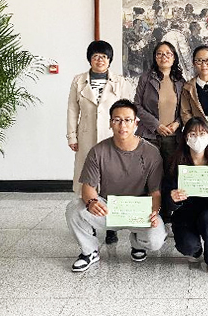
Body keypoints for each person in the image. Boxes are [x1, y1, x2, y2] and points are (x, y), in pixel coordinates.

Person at [65, 99, 167, 272]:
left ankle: (137, 244)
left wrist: (154, 212)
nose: (122, 125)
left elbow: (155, 191)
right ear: (110, 123)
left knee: (155, 239)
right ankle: (90, 251)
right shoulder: (98, 151)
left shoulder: (151, 152)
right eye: (117, 120)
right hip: (109, 208)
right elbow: (88, 187)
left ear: (136, 123)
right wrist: (92, 202)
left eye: (127, 120)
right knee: (74, 208)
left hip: (139, 210)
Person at [66, 40, 130, 244]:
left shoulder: (120, 82)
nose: (100, 60)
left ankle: (111, 227)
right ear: (90, 59)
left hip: (112, 137)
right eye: (96, 56)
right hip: (86, 138)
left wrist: (127, 137)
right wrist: (72, 136)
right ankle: (89, 223)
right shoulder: (79, 81)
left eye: (104, 56)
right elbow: (72, 110)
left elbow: (128, 110)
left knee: (112, 180)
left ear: (109, 60)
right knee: (87, 179)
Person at [166, 117, 208, 274]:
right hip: (185, 212)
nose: (198, 138)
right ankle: (196, 251)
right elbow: (166, 194)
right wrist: (172, 198)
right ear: (185, 137)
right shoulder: (176, 161)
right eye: (193, 134)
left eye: (202, 133)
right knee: (187, 246)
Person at [134, 41, 186, 234]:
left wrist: (177, 123)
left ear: (174, 57)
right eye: (159, 54)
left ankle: (167, 216)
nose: (164, 57)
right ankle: (148, 214)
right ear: (155, 57)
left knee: (170, 175)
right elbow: (137, 106)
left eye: (168, 54)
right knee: (148, 176)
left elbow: (185, 109)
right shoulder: (146, 78)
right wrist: (156, 125)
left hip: (173, 136)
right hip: (150, 135)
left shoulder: (180, 81)